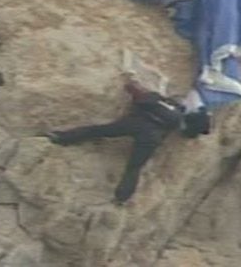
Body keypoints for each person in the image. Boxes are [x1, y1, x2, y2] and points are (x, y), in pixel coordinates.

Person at [47, 75, 211, 204]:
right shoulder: (178, 120)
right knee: (134, 167)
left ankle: (61, 138)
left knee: (98, 131)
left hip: (137, 125)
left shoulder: (173, 110)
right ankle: (122, 198)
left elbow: (143, 98)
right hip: (152, 138)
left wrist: (132, 86)